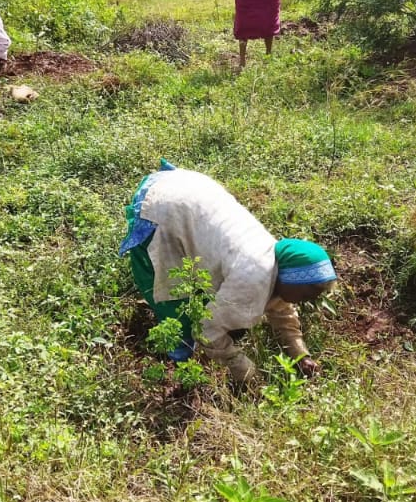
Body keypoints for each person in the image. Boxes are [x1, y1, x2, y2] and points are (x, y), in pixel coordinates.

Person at [119, 161, 337, 389]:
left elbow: (282, 309)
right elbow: (206, 329)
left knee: (205, 294)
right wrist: (244, 371)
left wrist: (300, 354)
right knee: (170, 293)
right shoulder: (252, 280)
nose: (308, 300)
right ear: (290, 279)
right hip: (161, 210)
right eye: (308, 293)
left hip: (185, 186)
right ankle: (180, 363)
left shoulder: (277, 259)